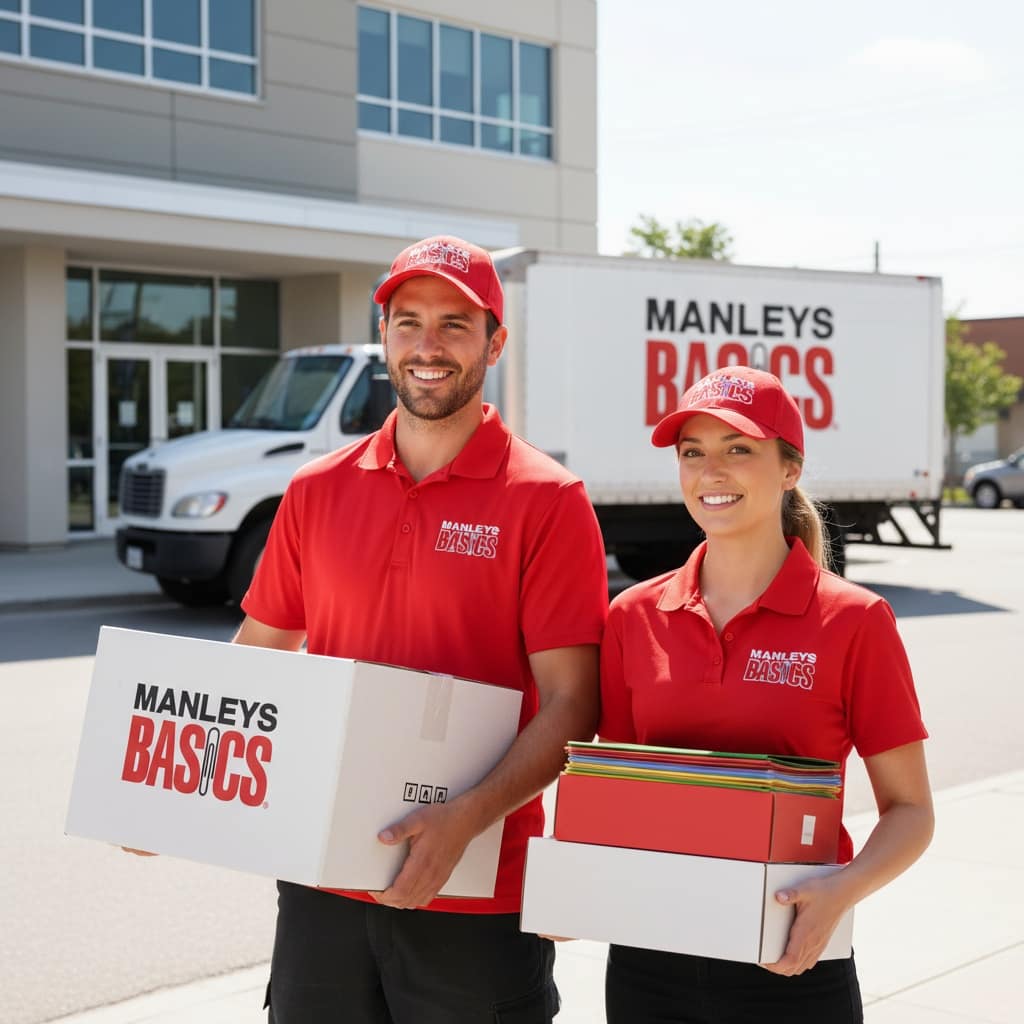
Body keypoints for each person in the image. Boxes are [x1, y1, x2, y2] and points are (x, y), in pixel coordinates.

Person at [236, 235, 608, 1023]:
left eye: (454, 324)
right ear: (384, 338)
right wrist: (170, 794)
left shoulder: (548, 499)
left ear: (495, 343)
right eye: (407, 322)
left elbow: (574, 704)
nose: (427, 346)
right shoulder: (314, 490)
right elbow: (258, 659)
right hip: (320, 884)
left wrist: (465, 819)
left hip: (476, 897)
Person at [597, 366, 934, 1024]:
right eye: (692, 453)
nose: (709, 472)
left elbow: (912, 811)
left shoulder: (854, 621)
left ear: (788, 469)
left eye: (738, 450)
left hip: (794, 959)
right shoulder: (632, 616)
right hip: (651, 957)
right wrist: (581, 882)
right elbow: (620, 797)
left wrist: (841, 892)